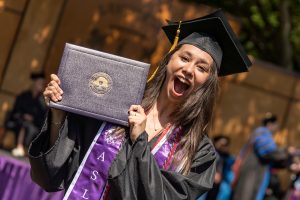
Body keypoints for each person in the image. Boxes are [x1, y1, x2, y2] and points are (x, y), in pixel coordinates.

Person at [28, 10, 251, 200]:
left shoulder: (198, 151)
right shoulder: (117, 104)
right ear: (168, 61)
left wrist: (140, 140)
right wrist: (59, 113)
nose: (189, 70)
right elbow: (52, 173)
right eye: (184, 58)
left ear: (207, 84)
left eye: (201, 68)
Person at [232, 113, 294, 200]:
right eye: (276, 125)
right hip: (252, 172)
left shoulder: (266, 135)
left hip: (257, 172)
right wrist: (286, 151)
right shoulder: (261, 132)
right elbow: (268, 152)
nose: (277, 128)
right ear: (269, 124)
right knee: (245, 195)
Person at [6, 72, 47, 156]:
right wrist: (23, 116)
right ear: (34, 83)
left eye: (42, 83)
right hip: (20, 121)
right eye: (39, 83)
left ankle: (22, 148)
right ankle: (20, 147)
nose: (41, 85)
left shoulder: (42, 102)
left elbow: (43, 118)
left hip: (35, 124)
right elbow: (15, 111)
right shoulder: (23, 96)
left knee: (30, 128)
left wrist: (33, 119)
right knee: (23, 124)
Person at [203, 135, 235, 200]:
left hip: (220, 190)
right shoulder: (207, 154)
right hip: (206, 188)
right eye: (221, 144)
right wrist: (212, 175)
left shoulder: (229, 159)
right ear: (215, 143)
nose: (223, 147)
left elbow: (230, 176)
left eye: (226, 145)